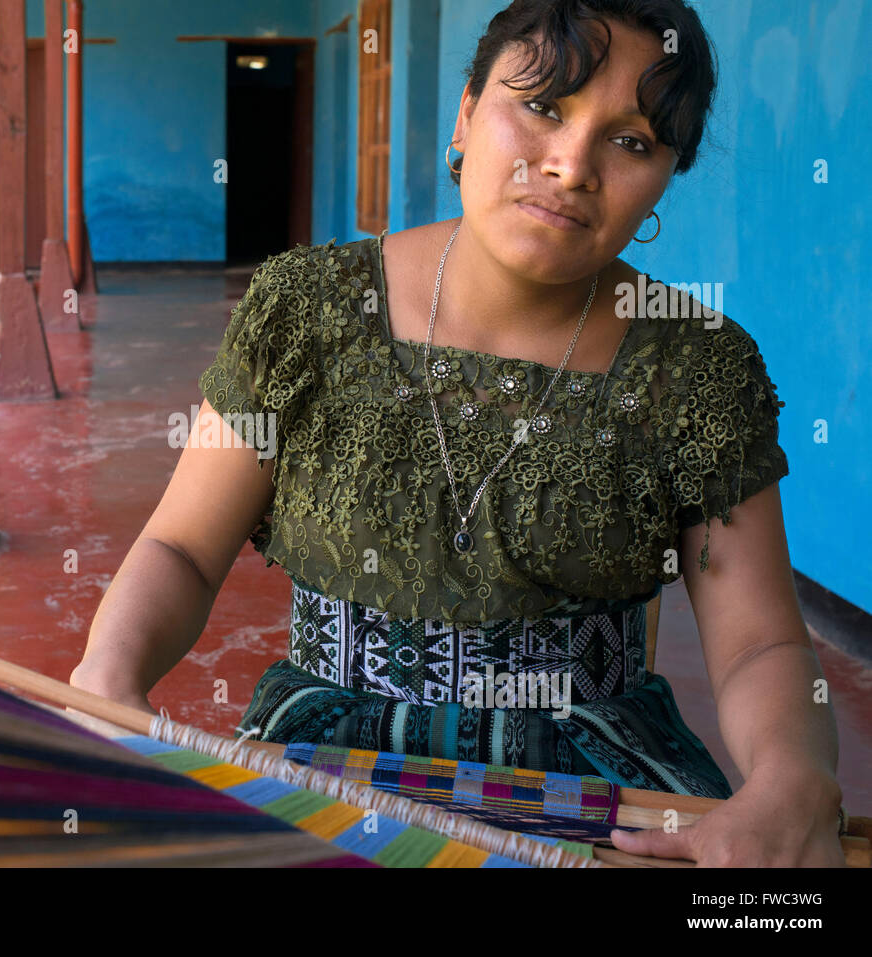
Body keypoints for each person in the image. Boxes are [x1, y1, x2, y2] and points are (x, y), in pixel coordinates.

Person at [70, 0, 844, 866]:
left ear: (666, 175)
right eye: (543, 106)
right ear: (467, 112)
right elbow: (182, 545)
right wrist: (110, 676)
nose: (570, 165)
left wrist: (790, 777)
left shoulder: (699, 370)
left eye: (631, 142)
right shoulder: (306, 312)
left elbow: (763, 640)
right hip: (325, 765)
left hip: (596, 787)